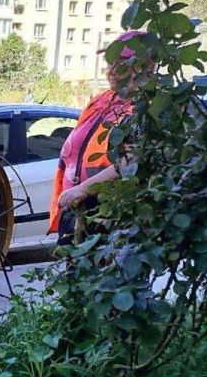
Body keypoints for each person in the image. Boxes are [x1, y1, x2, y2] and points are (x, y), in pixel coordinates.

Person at [49, 30, 153, 246]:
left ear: (146, 66)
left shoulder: (145, 108)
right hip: (76, 206)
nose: (112, 70)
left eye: (122, 63)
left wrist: (84, 188)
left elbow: (130, 162)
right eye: (111, 62)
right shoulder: (101, 101)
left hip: (108, 211)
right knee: (71, 274)